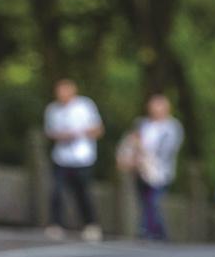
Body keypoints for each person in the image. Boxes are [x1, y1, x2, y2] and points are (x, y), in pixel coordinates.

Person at [43, 79, 104, 242]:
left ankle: (91, 224)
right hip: (61, 157)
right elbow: (49, 132)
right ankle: (55, 224)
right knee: (57, 190)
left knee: (82, 192)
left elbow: (98, 129)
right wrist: (62, 136)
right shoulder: (52, 109)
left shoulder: (85, 105)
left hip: (83, 157)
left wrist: (78, 133)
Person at [117, 94, 183, 241]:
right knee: (144, 201)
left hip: (160, 172)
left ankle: (152, 232)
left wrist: (142, 150)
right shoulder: (142, 124)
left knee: (154, 201)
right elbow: (129, 142)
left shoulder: (172, 128)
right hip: (140, 170)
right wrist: (129, 159)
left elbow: (166, 151)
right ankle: (153, 231)